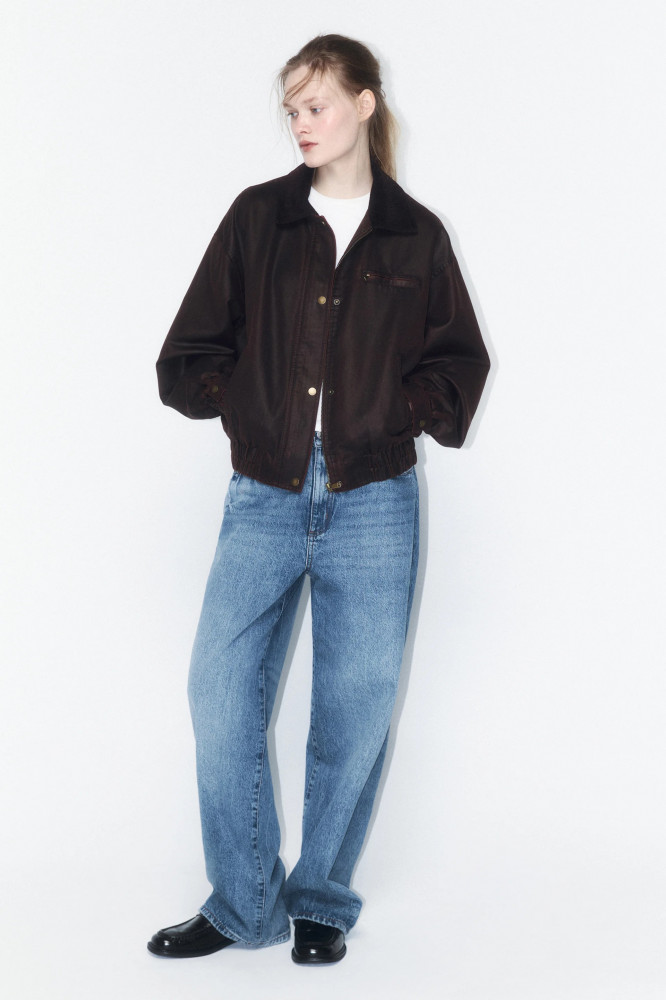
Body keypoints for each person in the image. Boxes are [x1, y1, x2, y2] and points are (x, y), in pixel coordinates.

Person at [148, 33, 490, 966]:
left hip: (375, 503)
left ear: (365, 104)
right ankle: (243, 904)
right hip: (263, 494)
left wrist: (395, 415)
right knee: (219, 695)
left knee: (355, 710)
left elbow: (458, 364)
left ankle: (322, 902)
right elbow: (189, 353)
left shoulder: (416, 235)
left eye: (317, 104)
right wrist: (248, 408)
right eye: (292, 109)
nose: (300, 123)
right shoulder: (259, 219)